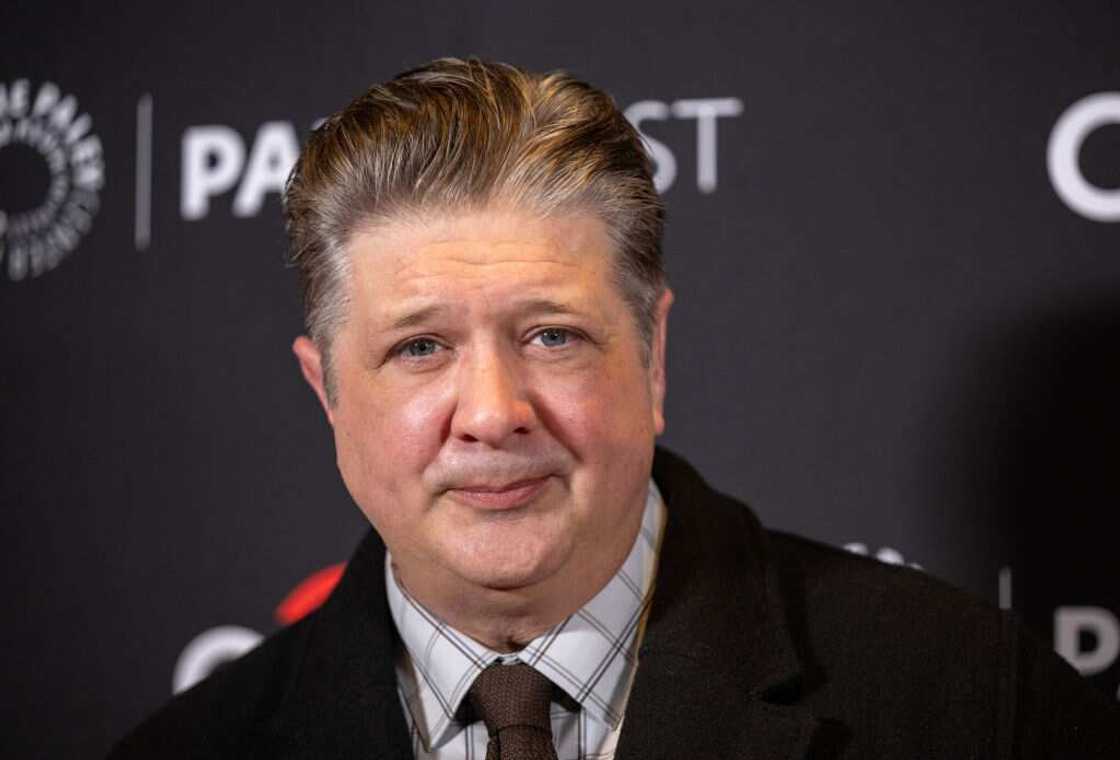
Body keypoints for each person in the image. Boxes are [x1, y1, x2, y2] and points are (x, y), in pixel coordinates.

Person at [109, 58, 1119, 759]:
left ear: (654, 352)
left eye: (551, 335)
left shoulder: (969, 708)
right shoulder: (187, 753)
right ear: (326, 390)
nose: (494, 411)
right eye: (419, 347)